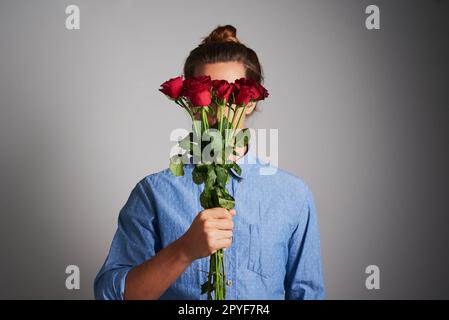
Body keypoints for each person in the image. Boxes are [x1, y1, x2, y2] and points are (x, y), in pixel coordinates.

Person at [94, 25, 325, 300]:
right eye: (209, 93)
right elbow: (110, 295)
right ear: (190, 101)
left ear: (250, 100)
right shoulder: (153, 193)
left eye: (229, 94)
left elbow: (307, 294)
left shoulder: (294, 195)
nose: (218, 108)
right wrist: (184, 250)